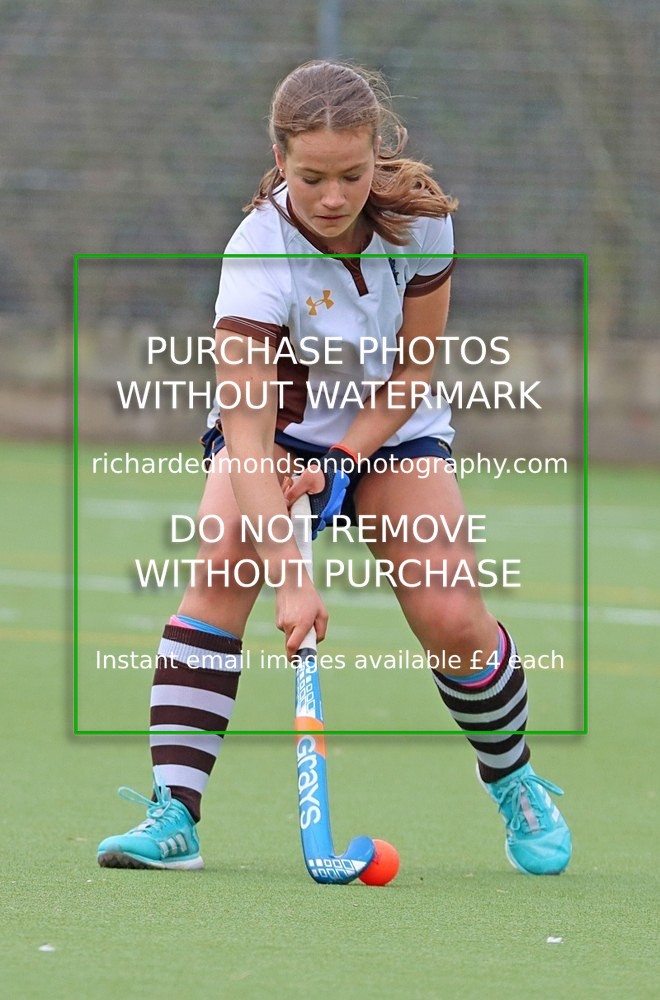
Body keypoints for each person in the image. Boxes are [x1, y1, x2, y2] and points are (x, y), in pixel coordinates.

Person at [98, 61, 571, 876]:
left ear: (375, 153)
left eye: (350, 175)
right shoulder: (256, 254)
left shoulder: (420, 221)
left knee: (454, 617)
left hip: (392, 429)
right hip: (273, 438)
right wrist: (292, 574)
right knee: (219, 566)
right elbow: (245, 438)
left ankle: (514, 776)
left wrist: (350, 457)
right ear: (278, 158)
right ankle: (174, 814)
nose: (330, 196)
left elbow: (415, 366)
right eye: (310, 176)